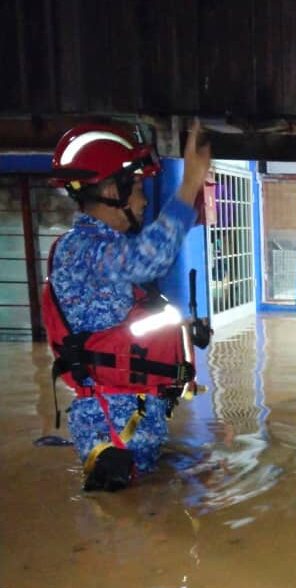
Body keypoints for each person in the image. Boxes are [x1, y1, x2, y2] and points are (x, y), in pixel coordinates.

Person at [43, 120, 211, 491]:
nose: (144, 199)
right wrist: (187, 187)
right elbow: (148, 259)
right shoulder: (80, 250)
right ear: (108, 190)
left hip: (131, 419)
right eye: (136, 187)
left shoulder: (104, 248)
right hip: (112, 430)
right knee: (120, 537)